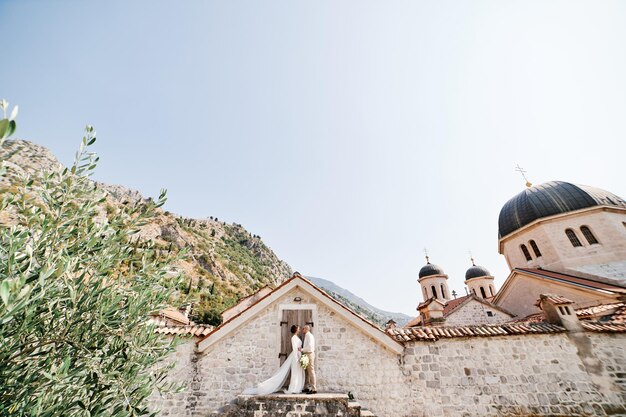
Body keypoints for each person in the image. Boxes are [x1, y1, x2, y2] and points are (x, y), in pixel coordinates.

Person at [243, 324, 305, 395]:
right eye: (298, 328)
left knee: (298, 372)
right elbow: (295, 349)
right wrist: (297, 357)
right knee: (295, 372)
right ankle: (293, 388)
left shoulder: (297, 337)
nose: (299, 329)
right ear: (295, 330)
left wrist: (301, 355)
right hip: (295, 356)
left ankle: (298, 387)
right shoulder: (293, 338)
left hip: (299, 355)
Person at [300, 325, 317, 394]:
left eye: (303, 328)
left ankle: (314, 389)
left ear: (306, 329)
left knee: (311, 371)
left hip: (309, 354)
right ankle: (306, 387)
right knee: (307, 372)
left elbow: (309, 347)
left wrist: (302, 349)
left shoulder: (309, 336)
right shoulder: (307, 335)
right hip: (306, 354)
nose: (302, 330)